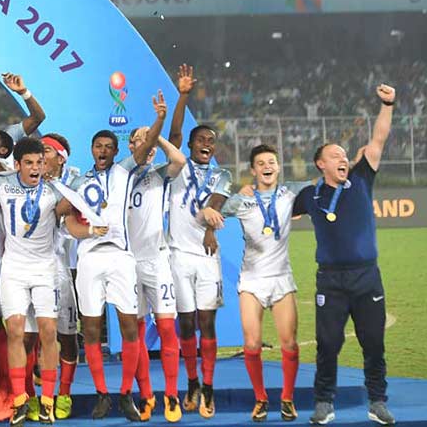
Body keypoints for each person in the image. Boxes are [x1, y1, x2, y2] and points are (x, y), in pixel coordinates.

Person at [295, 85, 397, 426]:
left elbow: (378, 139)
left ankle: (377, 401)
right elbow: (280, 207)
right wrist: (252, 190)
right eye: (335, 155)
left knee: (373, 342)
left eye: (344, 154)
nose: (343, 158)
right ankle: (324, 402)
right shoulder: (310, 195)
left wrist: (387, 104)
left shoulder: (362, 178)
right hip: (331, 281)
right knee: (327, 344)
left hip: (367, 276)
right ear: (320, 163)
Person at [0, 138, 78, 425]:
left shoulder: (53, 190)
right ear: (17, 165)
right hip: (13, 269)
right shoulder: (1, 183)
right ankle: (22, 399)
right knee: (15, 332)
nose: (36, 167)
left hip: (45, 269)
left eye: (39, 161)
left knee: (48, 332)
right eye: (29, 163)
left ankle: (47, 399)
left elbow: (71, 211)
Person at [212, 144, 306, 422]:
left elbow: (321, 185)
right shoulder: (242, 200)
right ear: (253, 170)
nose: (267, 166)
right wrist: (215, 207)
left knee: (289, 343)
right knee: (251, 344)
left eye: (272, 162)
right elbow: (214, 209)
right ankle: (261, 399)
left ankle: (287, 399)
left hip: (281, 279)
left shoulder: (291, 192)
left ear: (278, 167)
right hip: (251, 281)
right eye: (261, 163)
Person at [167, 64, 233, 419]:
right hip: (179, 254)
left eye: (211, 141)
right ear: (191, 144)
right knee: (187, 322)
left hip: (208, 256)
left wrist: (210, 226)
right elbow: (174, 132)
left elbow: (217, 203)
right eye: (201, 140)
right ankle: (191, 381)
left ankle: (208, 386)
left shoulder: (223, 174)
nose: (207, 144)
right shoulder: (178, 166)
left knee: (207, 322)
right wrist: (183, 95)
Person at [120, 91, 187, 423]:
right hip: (126, 264)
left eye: (146, 140)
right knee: (134, 330)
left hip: (157, 261)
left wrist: (156, 134)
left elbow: (181, 161)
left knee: (166, 327)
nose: (143, 143)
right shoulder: (118, 177)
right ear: (129, 147)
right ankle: (146, 394)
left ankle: (172, 394)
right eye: (137, 140)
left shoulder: (159, 174)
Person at [69, 130, 143, 422]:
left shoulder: (124, 171)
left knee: (129, 326)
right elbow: (68, 221)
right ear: (91, 149)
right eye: (98, 146)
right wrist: (87, 230)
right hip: (88, 257)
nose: (103, 151)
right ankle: (102, 394)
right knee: (90, 328)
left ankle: (126, 394)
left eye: (108, 147)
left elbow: (146, 146)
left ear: (116, 151)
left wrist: (161, 118)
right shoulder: (77, 181)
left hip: (120, 255)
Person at [40, 133, 82, 421]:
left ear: (61, 157)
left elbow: (59, 211)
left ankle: (64, 393)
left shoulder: (76, 181)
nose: (40, 157)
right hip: (30, 266)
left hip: (61, 267)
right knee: (33, 336)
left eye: (46, 151)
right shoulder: (28, 179)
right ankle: (38, 395)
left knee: (67, 335)